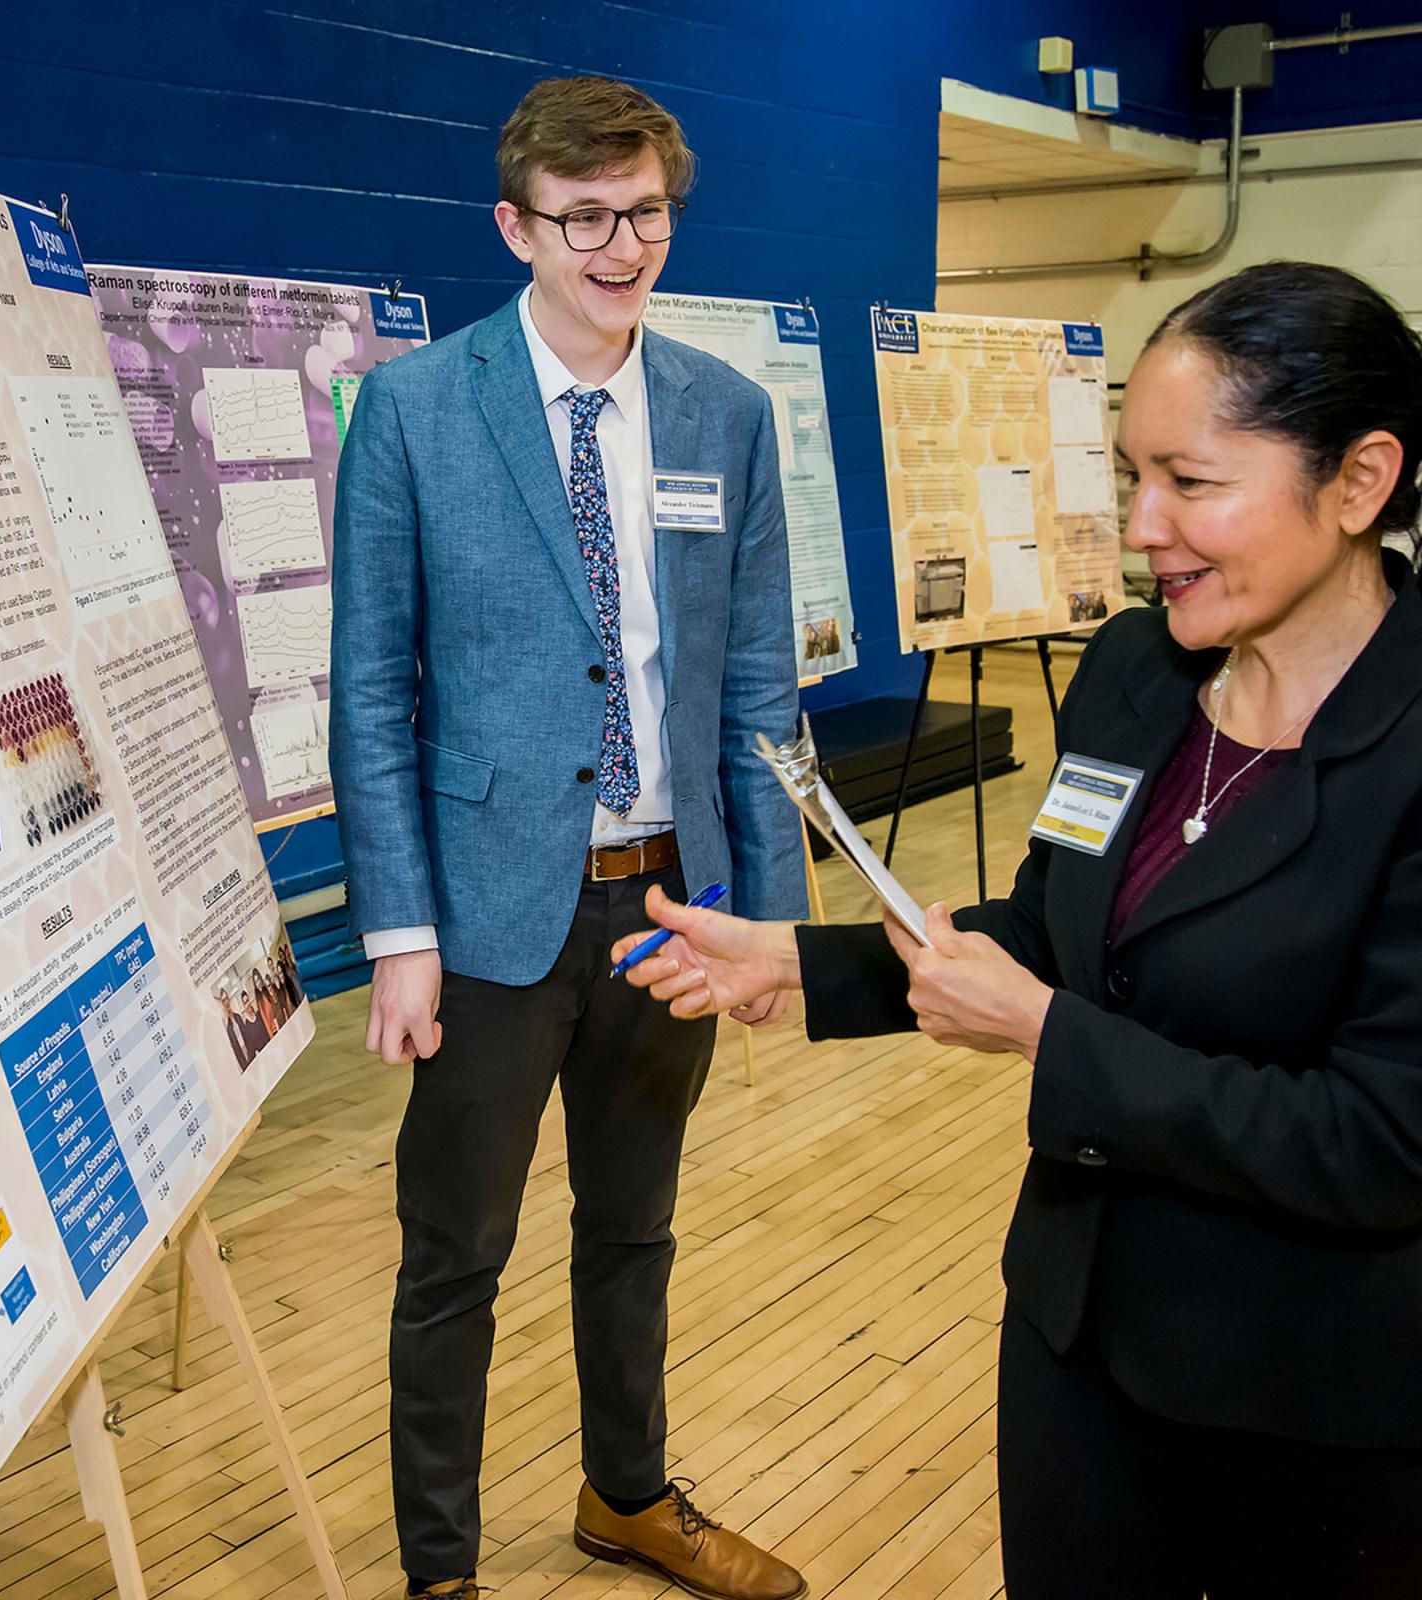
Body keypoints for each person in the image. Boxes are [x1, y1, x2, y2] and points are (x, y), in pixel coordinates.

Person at [613, 262, 1422, 1599]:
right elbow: (1055, 927)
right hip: (1077, 1344)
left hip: (1308, 1402)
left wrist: (1052, 1040)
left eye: (1192, 482)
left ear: (1359, 481)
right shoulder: (1136, 673)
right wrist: (798, 963)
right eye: (1128, 476)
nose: (1141, 524)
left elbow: (1380, 1141)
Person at [328, 74, 808, 1600]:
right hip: (483, 919)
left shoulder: (726, 417)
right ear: (515, 225)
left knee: (636, 1226)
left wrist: (779, 928)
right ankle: (440, 1570)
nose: (621, 247)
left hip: (673, 901)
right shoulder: (415, 408)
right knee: (454, 1254)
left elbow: (754, 685)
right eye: (585, 218)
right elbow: (373, 691)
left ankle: (627, 1496)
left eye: (645, 213)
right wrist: (397, 936)